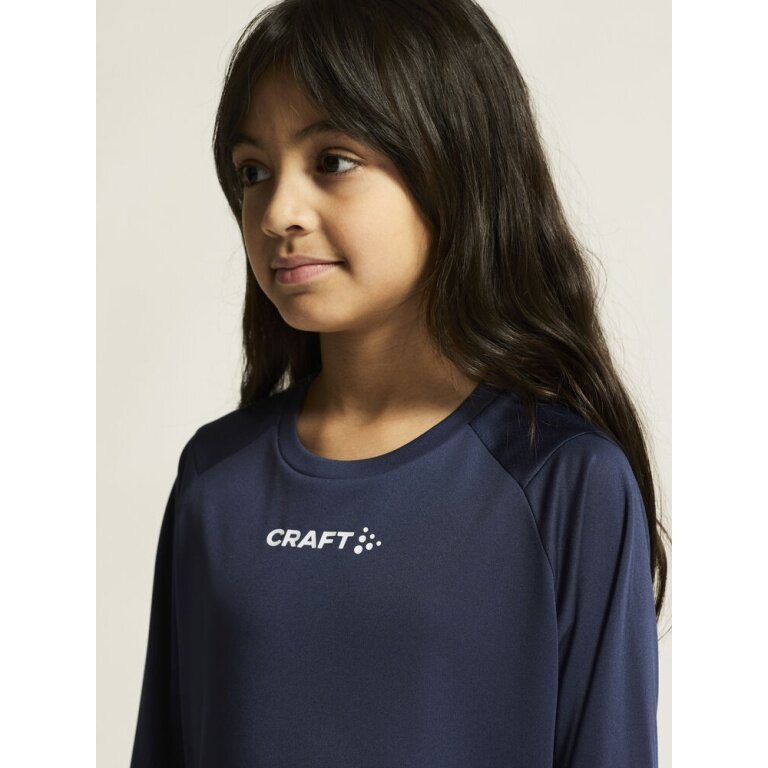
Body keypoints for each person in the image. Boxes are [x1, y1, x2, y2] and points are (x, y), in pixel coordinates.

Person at [130, 0, 669, 765]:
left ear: (453, 163)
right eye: (253, 171)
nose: (278, 211)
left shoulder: (562, 480)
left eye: (332, 161)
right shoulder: (215, 479)